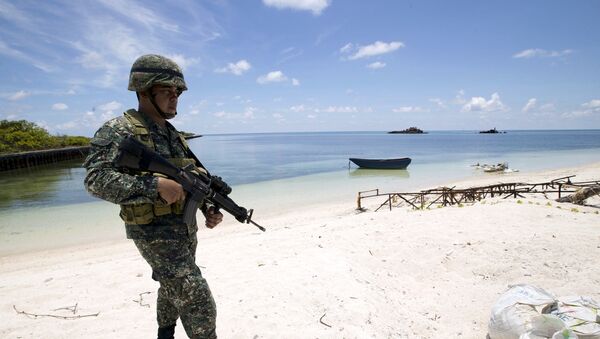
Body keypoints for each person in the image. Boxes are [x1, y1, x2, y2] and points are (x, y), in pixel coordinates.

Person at [83, 54, 223, 339]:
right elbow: (94, 180)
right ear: (144, 91)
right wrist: (155, 186)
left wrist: (208, 206)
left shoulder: (173, 134)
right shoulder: (118, 130)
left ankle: (165, 334)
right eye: (168, 92)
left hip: (183, 229)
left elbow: (191, 177)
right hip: (152, 231)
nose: (175, 99)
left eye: (178, 93)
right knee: (196, 296)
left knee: (172, 286)